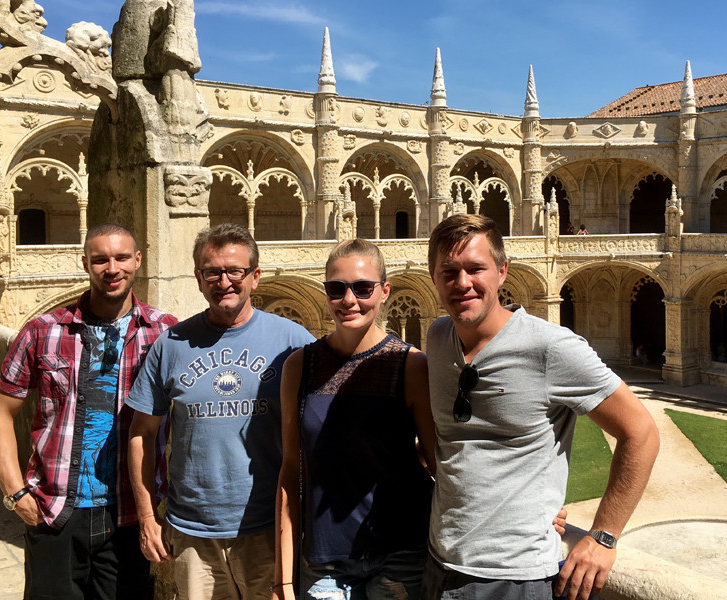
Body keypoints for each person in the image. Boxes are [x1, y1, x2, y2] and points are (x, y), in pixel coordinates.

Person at [422, 214, 660, 600]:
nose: (462, 282)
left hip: (515, 578)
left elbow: (641, 432)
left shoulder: (551, 348)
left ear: (502, 271)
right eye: (449, 271)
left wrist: (603, 536)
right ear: (433, 277)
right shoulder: (437, 337)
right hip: (439, 563)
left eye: (475, 269)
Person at [0, 222, 178, 600]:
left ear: (137, 261)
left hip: (131, 514)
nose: (112, 268)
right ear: (85, 263)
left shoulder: (164, 332)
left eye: (122, 258)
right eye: (101, 259)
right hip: (56, 512)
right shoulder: (43, 330)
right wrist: (14, 494)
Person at [126, 223, 314, 600]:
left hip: (271, 529)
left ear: (255, 277)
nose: (224, 281)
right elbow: (141, 434)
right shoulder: (171, 344)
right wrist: (147, 517)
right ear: (198, 279)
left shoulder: (294, 341)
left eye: (235, 271)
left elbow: (329, 421)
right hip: (194, 532)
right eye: (212, 271)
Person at [273, 239, 436, 600]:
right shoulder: (300, 367)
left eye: (362, 288)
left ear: (384, 291)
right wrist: (283, 579)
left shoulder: (410, 365)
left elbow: (439, 462)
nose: (349, 300)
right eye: (336, 288)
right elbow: (290, 473)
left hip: (401, 552)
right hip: (324, 561)